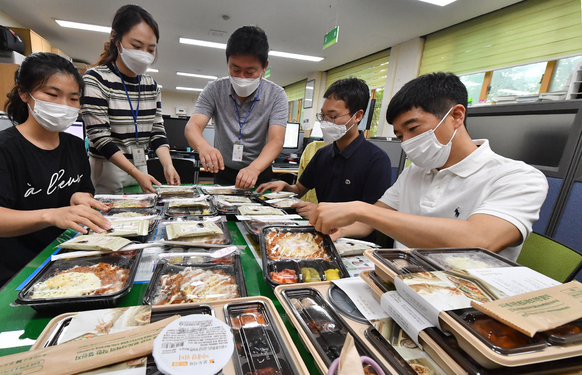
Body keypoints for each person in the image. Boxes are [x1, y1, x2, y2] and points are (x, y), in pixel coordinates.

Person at [310, 72, 548, 261]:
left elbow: (480, 239)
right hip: (400, 283)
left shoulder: (518, 177)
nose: (408, 143)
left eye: (413, 129)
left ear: (456, 116)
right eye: (401, 135)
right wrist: (341, 229)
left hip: (464, 307)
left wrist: (361, 209)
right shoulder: (414, 172)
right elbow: (369, 221)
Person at [0, 52, 112, 293]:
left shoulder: (74, 145)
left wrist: (81, 197)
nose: (64, 105)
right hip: (24, 270)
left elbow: (83, 189)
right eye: (52, 95)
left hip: (72, 254)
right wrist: (51, 215)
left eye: (73, 98)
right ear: (24, 93)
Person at [256, 78, 391, 225]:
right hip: (320, 230)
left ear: (357, 116)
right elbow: (300, 188)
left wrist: (322, 213)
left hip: (353, 241)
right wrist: (286, 187)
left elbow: (371, 220)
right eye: (323, 116)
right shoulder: (323, 154)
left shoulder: (376, 160)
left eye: (332, 116)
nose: (325, 122)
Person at [82, 4, 180, 194]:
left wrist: (168, 165)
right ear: (115, 39)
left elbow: (157, 131)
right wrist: (134, 172)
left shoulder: (151, 85)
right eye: (136, 46)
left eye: (150, 49)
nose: (143, 54)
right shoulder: (96, 79)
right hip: (107, 166)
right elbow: (100, 137)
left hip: (140, 164)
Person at [185, 25, 289, 189]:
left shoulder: (276, 95)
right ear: (228, 63)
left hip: (259, 174)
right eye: (235, 69)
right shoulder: (214, 89)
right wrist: (204, 147)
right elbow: (193, 126)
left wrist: (254, 169)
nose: (242, 77)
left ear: (264, 67)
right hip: (224, 172)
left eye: (250, 72)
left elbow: (276, 140)